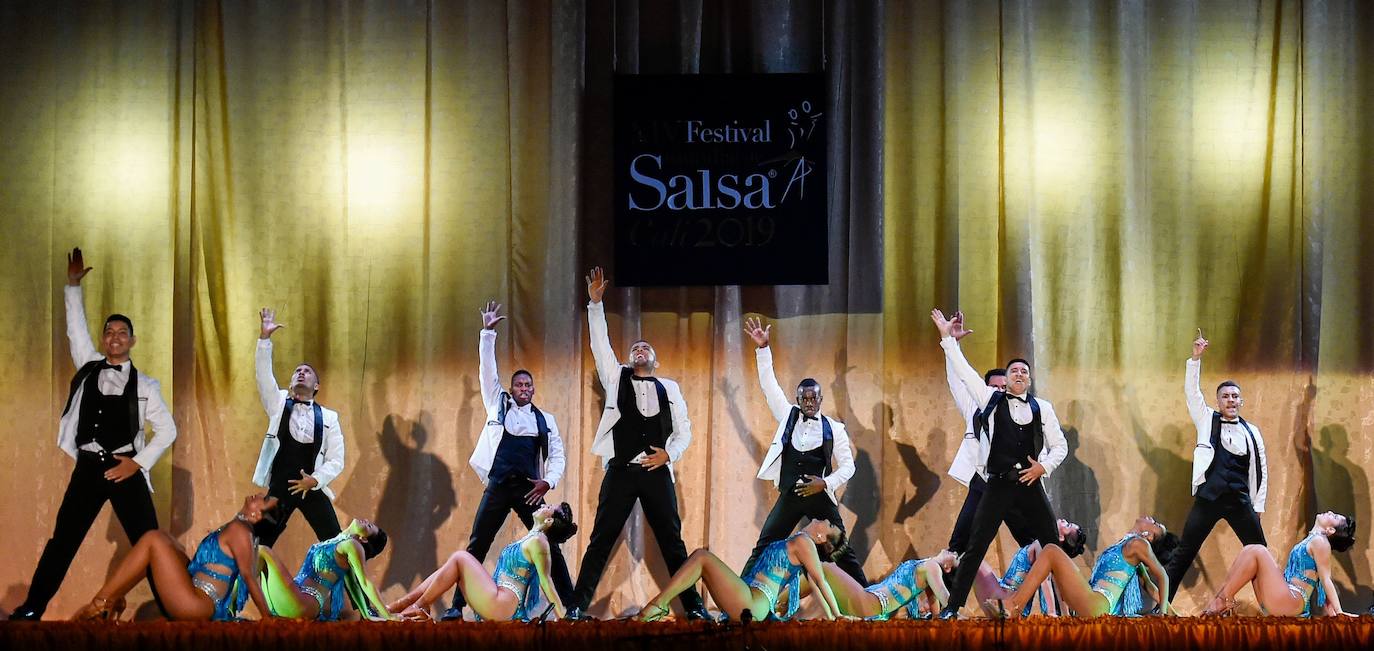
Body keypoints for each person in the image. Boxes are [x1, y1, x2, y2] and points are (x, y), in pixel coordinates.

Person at [10, 248, 178, 621]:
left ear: (132, 341)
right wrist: (72, 285)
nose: (115, 337)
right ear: (104, 340)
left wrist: (137, 463)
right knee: (62, 542)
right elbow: (75, 330)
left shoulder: (146, 385)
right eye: (110, 332)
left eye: (122, 333)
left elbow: (168, 430)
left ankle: (172, 610)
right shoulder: (88, 367)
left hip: (124, 469)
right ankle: (32, 608)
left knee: (148, 544)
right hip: (88, 469)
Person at [566, 267, 708, 620]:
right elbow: (600, 346)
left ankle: (695, 608)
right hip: (622, 471)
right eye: (635, 347)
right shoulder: (616, 378)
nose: (640, 349)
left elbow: (684, 430)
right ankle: (575, 607)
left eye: (645, 347)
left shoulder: (669, 388)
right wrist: (595, 305)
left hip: (657, 473)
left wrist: (669, 455)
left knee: (673, 544)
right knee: (600, 540)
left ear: (654, 360)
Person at [929, 309, 1068, 619]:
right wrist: (947, 340)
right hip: (998, 484)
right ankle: (952, 607)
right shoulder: (989, 400)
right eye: (1014, 371)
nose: (1019, 374)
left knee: (1050, 545)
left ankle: (1063, 608)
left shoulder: (1042, 408)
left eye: (1024, 371)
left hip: (1029, 483)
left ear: (1030, 380)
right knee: (976, 544)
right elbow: (964, 373)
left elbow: (1060, 446)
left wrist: (1042, 467)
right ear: (1006, 379)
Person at [440, 301, 573, 621]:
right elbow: (488, 371)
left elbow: (557, 455)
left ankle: (573, 605)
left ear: (533, 389)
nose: (523, 389)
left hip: (530, 490)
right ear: (512, 389)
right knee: (477, 544)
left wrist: (548, 482)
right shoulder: (497, 405)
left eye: (528, 385)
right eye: (519, 385)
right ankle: (456, 607)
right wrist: (487, 333)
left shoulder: (545, 420)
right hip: (499, 484)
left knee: (550, 546)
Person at [739, 316, 864, 585]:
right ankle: (738, 600)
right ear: (798, 399)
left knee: (841, 549)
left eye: (813, 398)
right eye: (804, 398)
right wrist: (763, 349)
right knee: (764, 545)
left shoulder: (835, 428)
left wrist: (825, 483)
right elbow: (769, 386)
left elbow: (849, 466)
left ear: (820, 399)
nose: (809, 402)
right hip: (791, 493)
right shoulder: (788, 416)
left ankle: (868, 597)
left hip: (820, 497)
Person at [1166, 329, 1269, 601]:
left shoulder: (1252, 432)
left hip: (1239, 500)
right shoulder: (1206, 419)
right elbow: (1192, 392)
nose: (1231, 400)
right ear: (1219, 401)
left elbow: (1260, 470)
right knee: (1184, 552)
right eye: (1226, 396)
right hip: (1209, 498)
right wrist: (1196, 358)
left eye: (1235, 396)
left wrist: (1257, 506)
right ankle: (1161, 605)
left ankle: (1272, 607)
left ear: (1241, 401)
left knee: (1260, 552)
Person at [70, 494, 278, 621]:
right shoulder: (238, 528)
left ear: (258, 515)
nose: (259, 494)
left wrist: (267, 618)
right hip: (194, 592)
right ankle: (110, 601)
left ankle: (101, 603)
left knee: (154, 539)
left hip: (196, 604)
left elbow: (248, 576)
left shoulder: (241, 531)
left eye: (264, 499)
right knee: (165, 540)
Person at [940, 311, 1037, 554]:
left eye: (1003, 387)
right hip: (985, 482)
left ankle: (1049, 588)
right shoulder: (975, 405)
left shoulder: (1027, 410)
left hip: (1017, 482)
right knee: (960, 544)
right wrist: (952, 343)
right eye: (993, 387)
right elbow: (957, 378)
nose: (998, 391)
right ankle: (952, 588)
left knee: (1035, 543)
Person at [250, 307, 346, 547]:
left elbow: (336, 459)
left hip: (311, 485)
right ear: (292, 382)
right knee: (259, 541)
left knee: (336, 544)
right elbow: (263, 376)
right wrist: (264, 339)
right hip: (281, 485)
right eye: (297, 371)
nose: (301, 374)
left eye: (307, 372)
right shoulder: (278, 402)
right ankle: (248, 585)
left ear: (317, 386)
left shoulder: (329, 417)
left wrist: (315, 480)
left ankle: (346, 585)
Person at [386, 503, 577, 622]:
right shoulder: (532, 538)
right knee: (454, 564)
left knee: (461, 557)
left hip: (503, 605)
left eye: (548, 507)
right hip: (497, 597)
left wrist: (563, 616)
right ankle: (401, 605)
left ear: (549, 520)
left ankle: (418, 606)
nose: (543, 505)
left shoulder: (539, 542)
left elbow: (546, 581)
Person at [636, 518, 846, 622]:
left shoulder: (805, 542)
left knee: (702, 557)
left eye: (829, 525)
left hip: (754, 602)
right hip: (749, 597)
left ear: (821, 538)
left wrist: (837, 615)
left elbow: (819, 581)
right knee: (702, 562)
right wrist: (832, 616)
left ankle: (658, 604)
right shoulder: (800, 541)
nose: (824, 520)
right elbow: (817, 583)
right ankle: (660, 604)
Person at [990, 516, 1177, 618]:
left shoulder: (1139, 544)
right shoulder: (1127, 545)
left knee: (1051, 551)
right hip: (1091, 600)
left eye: (1155, 524)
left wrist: (1163, 614)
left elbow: (1162, 577)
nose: (1151, 518)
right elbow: (1150, 588)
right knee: (1051, 552)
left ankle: (1014, 606)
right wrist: (1174, 614)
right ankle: (1017, 604)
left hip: (1097, 605)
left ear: (1148, 536)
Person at [1200, 511, 1357, 617]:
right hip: (1283, 599)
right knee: (1250, 549)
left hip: (1293, 601)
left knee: (1259, 551)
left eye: (1335, 517)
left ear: (1330, 530)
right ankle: (1222, 600)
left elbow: (1326, 579)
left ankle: (1222, 601)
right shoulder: (1313, 540)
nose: (1330, 512)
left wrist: (1339, 611)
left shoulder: (1320, 542)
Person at [257, 518, 392, 621]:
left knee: (262, 550)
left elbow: (364, 583)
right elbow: (353, 586)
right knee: (258, 555)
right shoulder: (338, 541)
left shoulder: (352, 545)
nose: (366, 521)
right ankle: (234, 609)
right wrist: (365, 613)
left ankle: (234, 609)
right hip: (291, 596)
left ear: (363, 539)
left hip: (304, 603)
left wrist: (388, 616)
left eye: (368, 526)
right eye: (369, 522)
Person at [796, 550, 958, 620]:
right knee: (818, 573)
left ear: (947, 567)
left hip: (872, 603)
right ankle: (780, 605)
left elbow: (946, 601)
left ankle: (779, 603)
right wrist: (936, 615)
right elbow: (937, 611)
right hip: (869, 600)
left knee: (824, 568)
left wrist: (955, 613)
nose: (955, 552)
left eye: (956, 557)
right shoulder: (928, 567)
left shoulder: (932, 567)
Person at [972, 519, 1087, 617]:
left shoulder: (1043, 547)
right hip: (1001, 592)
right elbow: (1057, 586)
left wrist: (1052, 612)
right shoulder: (1047, 549)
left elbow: (1046, 581)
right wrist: (1065, 615)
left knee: (968, 559)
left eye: (1067, 525)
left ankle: (954, 606)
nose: (1063, 520)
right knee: (968, 559)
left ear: (1061, 537)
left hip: (1006, 600)